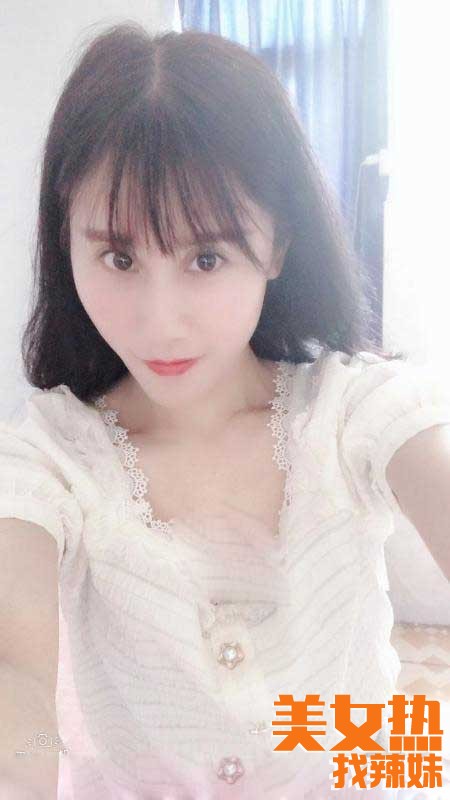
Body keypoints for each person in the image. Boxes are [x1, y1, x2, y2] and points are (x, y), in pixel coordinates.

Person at [0, 21, 449, 800]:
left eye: (206, 257)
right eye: (118, 256)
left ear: (276, 245)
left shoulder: (352, 412)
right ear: (65, 242)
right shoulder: (52, 457)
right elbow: (16, 671)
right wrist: (26, 766)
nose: (159, 321)